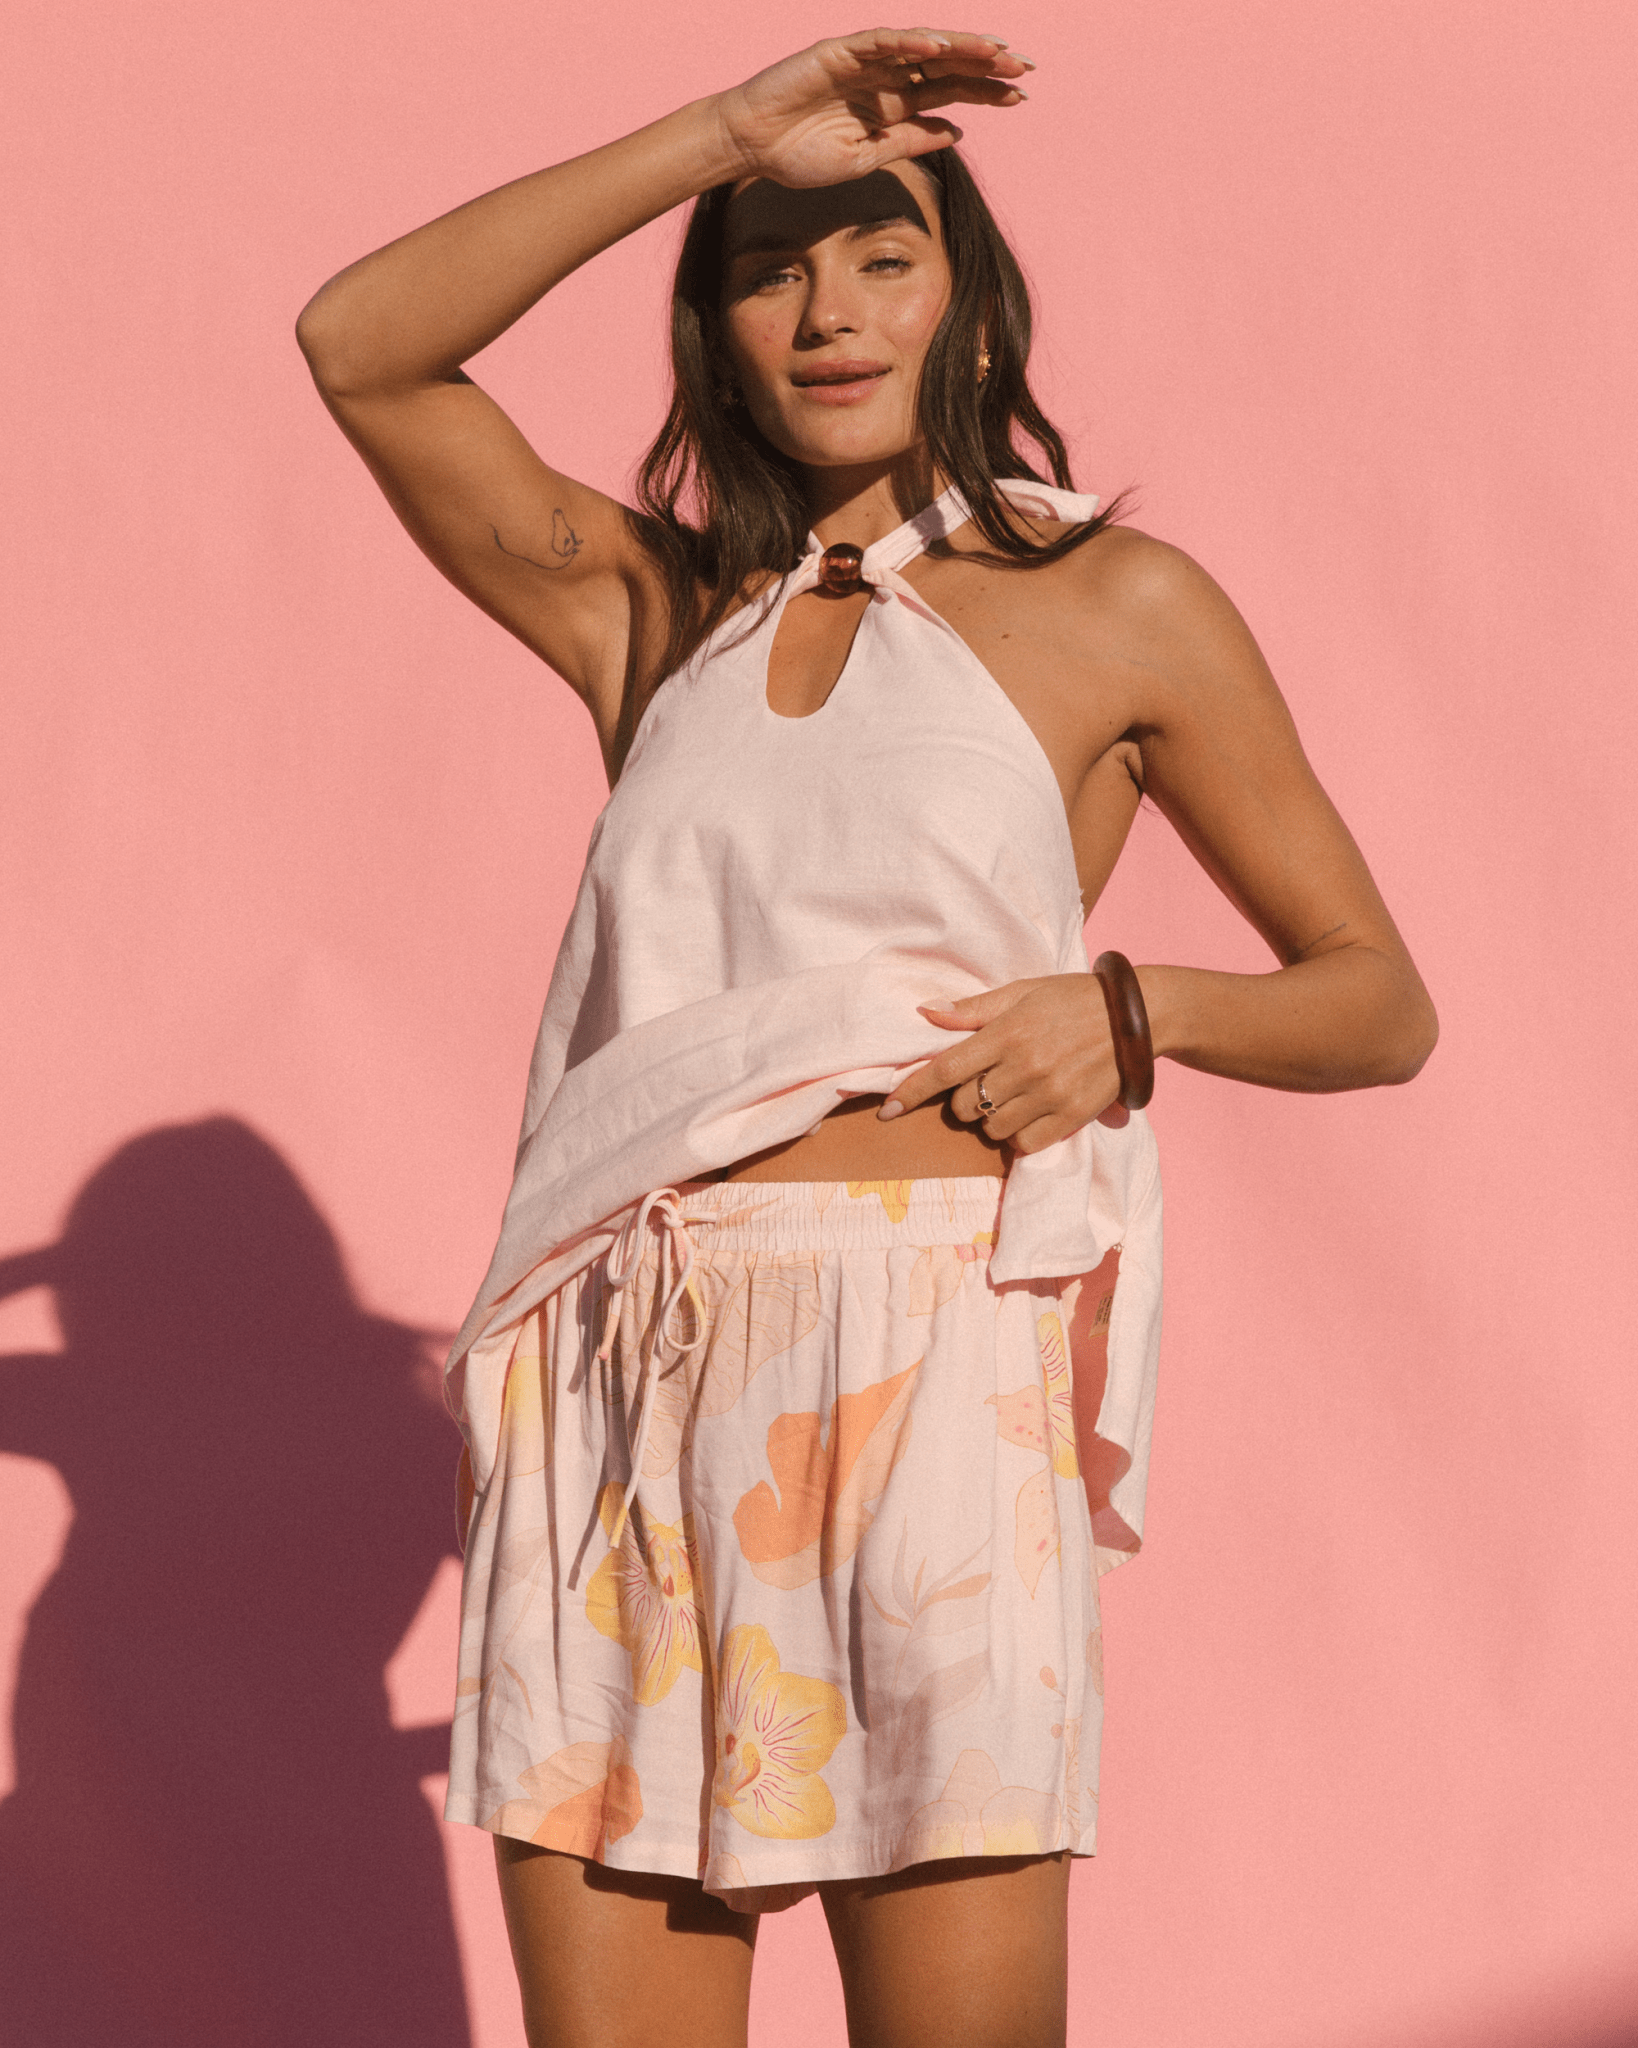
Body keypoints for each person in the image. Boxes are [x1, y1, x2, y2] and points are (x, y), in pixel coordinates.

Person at [296, 27, 1437, 2048]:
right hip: (621, 1375)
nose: (827, 311)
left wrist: (1131, 1011)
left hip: (930, 1372)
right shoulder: (654, 616)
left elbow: (1376, 996)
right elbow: (361, 345)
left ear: (967, 301)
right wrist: (725, 135)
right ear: (717, 332)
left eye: (881, 258)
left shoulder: (1116, 603)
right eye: (770, 270)